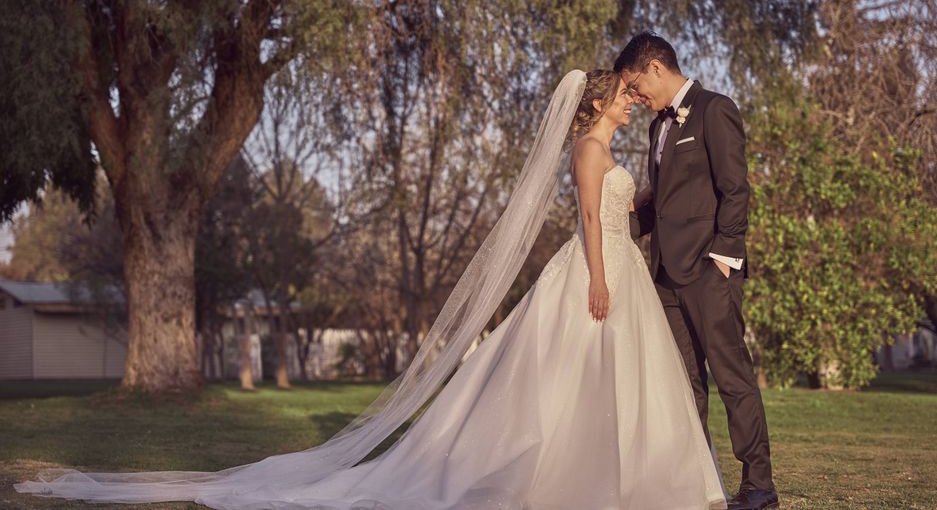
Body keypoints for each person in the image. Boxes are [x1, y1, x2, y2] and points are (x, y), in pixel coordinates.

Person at [16, 70, 726, 509]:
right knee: (571, 380)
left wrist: (655, 196)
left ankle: (623, 476)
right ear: (599, 102)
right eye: (626, 97)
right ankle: (575, 478)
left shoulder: (610, 153)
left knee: (611, 381)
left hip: (619, 269)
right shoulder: (589, 150)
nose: (634, 104)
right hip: (598, 274)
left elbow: (616, 209)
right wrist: (600, 280)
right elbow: (586, 218)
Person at [616, 31, 778, 510]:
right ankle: (696, 484)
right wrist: (611, 229)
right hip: (664, 278)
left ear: (656, 68)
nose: (634, 97)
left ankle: (759, 488)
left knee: (732, 380)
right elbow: (662, 208)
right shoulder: (655, 129)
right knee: (684, 387)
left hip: (711, 274)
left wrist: (724, 260)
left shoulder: (715, 109)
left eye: (634, 85)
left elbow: (736, 190)